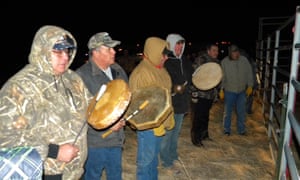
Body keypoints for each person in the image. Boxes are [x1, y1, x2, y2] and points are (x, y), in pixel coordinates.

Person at [0, 25, 91, 180]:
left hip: (76, 170)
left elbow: (91, 108)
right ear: (42, 50)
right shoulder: (18, 87)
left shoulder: (73, 79)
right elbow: (6, 137)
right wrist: (55, 151)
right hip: (45, 172)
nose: (65, 57)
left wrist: (109, 116)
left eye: (68, 51)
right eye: (58, 51)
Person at [76, 32, 128, 180]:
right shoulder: (81, 77)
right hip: (95, 143)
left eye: (113, 48)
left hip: (117, 139)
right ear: (96, 52)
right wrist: (106, 125)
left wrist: (122, 117)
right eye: (109, 49)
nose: (114, 51)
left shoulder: (118, 71)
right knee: (92, 176)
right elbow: (78, 114)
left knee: (115, 175)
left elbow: (124, 100)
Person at [129, 37, 175, 180]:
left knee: (154, 160)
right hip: (148, 126)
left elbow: (165, 96)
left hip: (159, 122)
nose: (166, 58)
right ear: (154, 53)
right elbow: (136, 103)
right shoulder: (142, 73)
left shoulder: (159, 69)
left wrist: (168, 117)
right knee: (146, 161)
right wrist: (151, 121)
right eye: (164, 54)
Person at [159, 34, 193, 174]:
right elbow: (162, 81)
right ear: (171, 45)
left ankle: (172, 154)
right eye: (177, 44)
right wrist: (175, 88)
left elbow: (190, 77)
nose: (179, 47)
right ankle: (166, 161)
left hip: (182, 103)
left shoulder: (184, 60)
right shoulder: (166, 61)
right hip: (169, 104)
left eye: (181, 44)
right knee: (168, 133)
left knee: (176, 132)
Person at [219, 44, 254, 136]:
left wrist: (250, 85)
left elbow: (249, 73)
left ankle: (241, 130)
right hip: (229, 90)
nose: (236, 54)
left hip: (241, 91)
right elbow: (222, 76)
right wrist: (221, 88)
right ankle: (227, 129)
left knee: (241, 111)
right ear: (230, 53)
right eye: (234, 52)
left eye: (237, 51)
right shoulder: (224, 62)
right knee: (228, 111)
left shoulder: (244, 60)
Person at [190, 43, 221, 146]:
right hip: (201, 94)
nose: (216, 53)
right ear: (208, 51)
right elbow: (194, 76)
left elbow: (217, 79)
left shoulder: (217, 62)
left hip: (210, 94)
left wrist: (218, 92)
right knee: (198, 116)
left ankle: (204, 134)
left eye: (217, 50)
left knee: (206, 116)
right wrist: (194, 92)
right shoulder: (201, 60)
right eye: (214, 50)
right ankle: (196, 138)